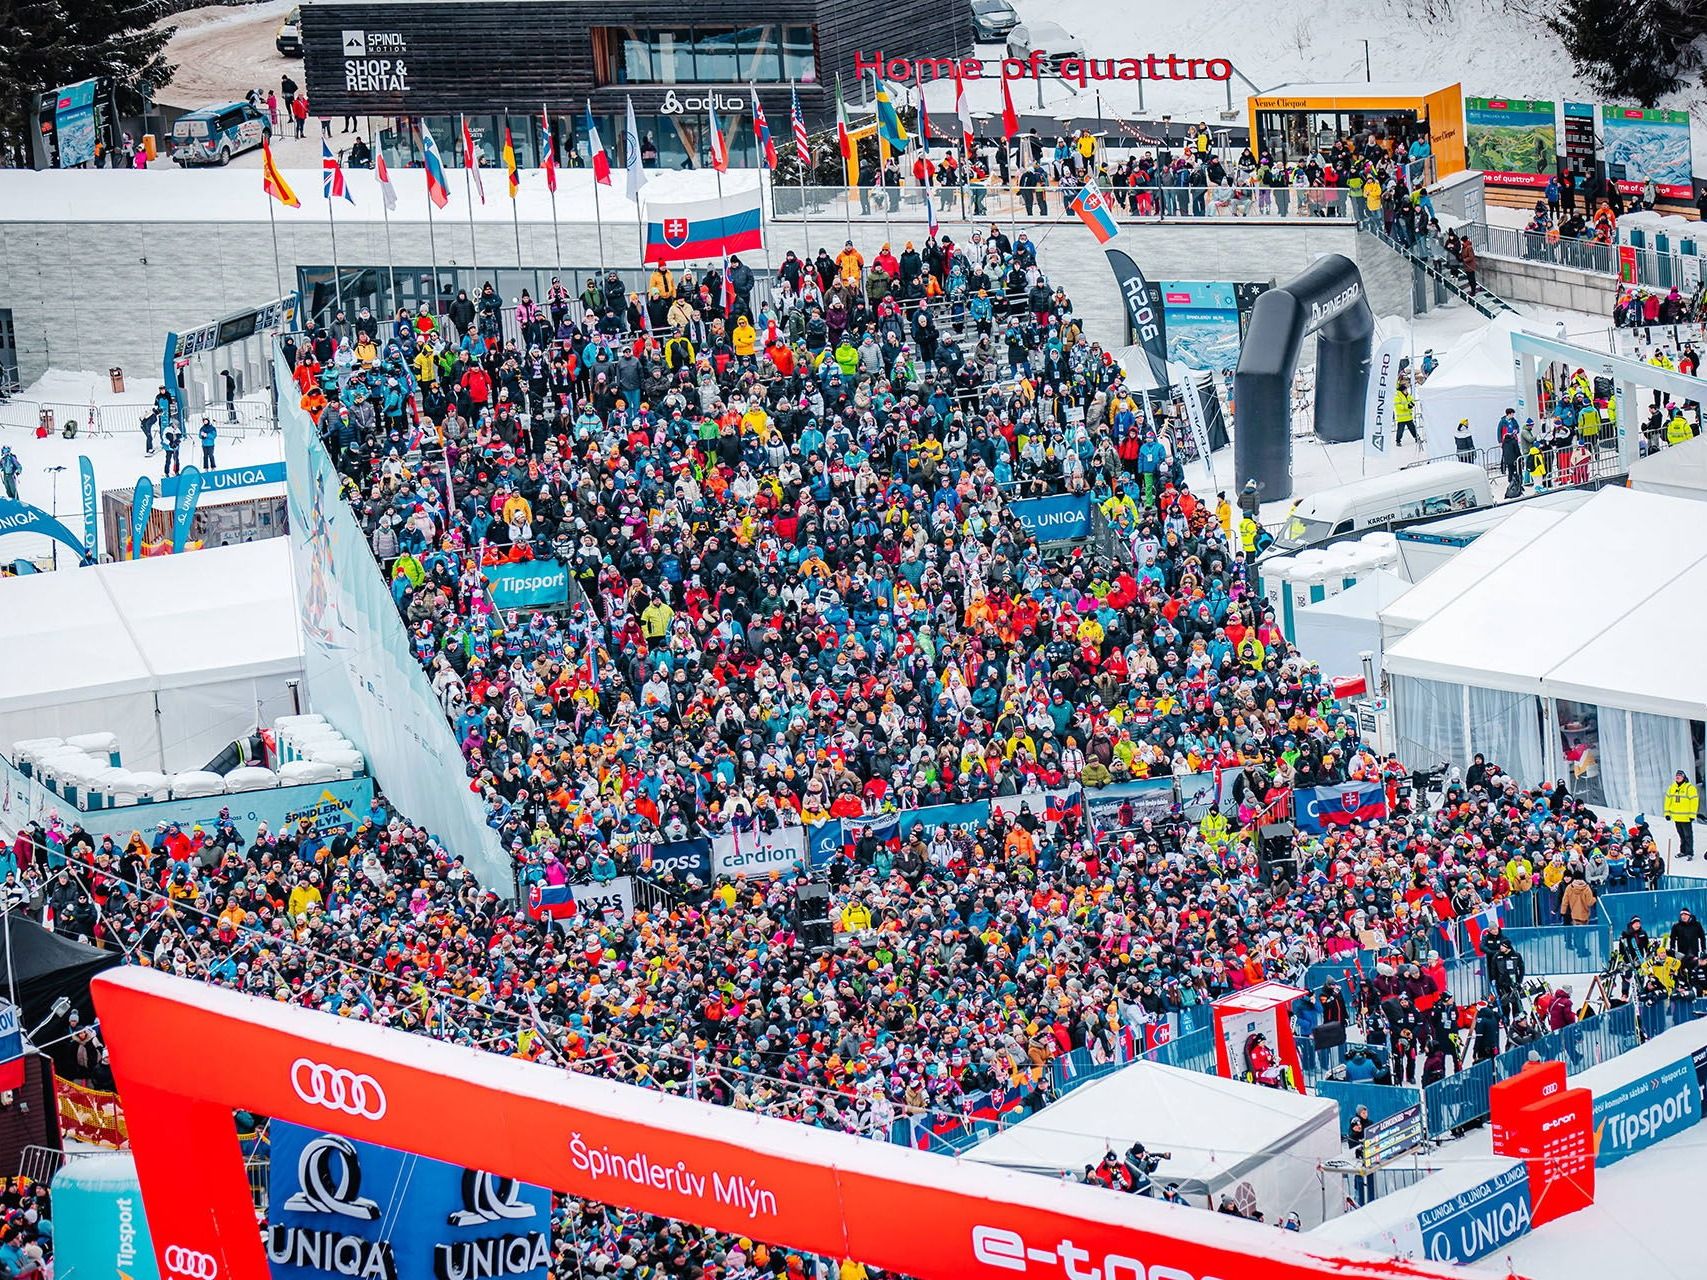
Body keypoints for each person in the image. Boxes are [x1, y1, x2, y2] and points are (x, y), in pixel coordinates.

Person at [1665, 769, 1698, 859]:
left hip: (1686, 817)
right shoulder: (1672, 788)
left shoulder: (1689, 788)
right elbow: (1668, 801)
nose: (1678, 777)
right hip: (1676, 817)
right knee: (1681, 835)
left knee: (1688, 836)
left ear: (1683, 777)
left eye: (1680, 776)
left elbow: (1694, 802)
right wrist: (1667, 813)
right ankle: (1683, 851)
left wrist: (1692, 815)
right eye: (1677, 776)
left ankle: (1689, 852)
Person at [1345, 1104, 1373, 1205]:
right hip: (1358, 1158)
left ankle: (1370, 1198)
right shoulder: (1356, 1122)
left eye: (1366, 1112)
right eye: (1363, 1113)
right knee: (1359, 1176)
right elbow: (1353, 1133)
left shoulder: (1369, 1123)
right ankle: (1358, 1197)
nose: (1365, 1115)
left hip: (1368, 1156)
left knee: (1369, 1175)